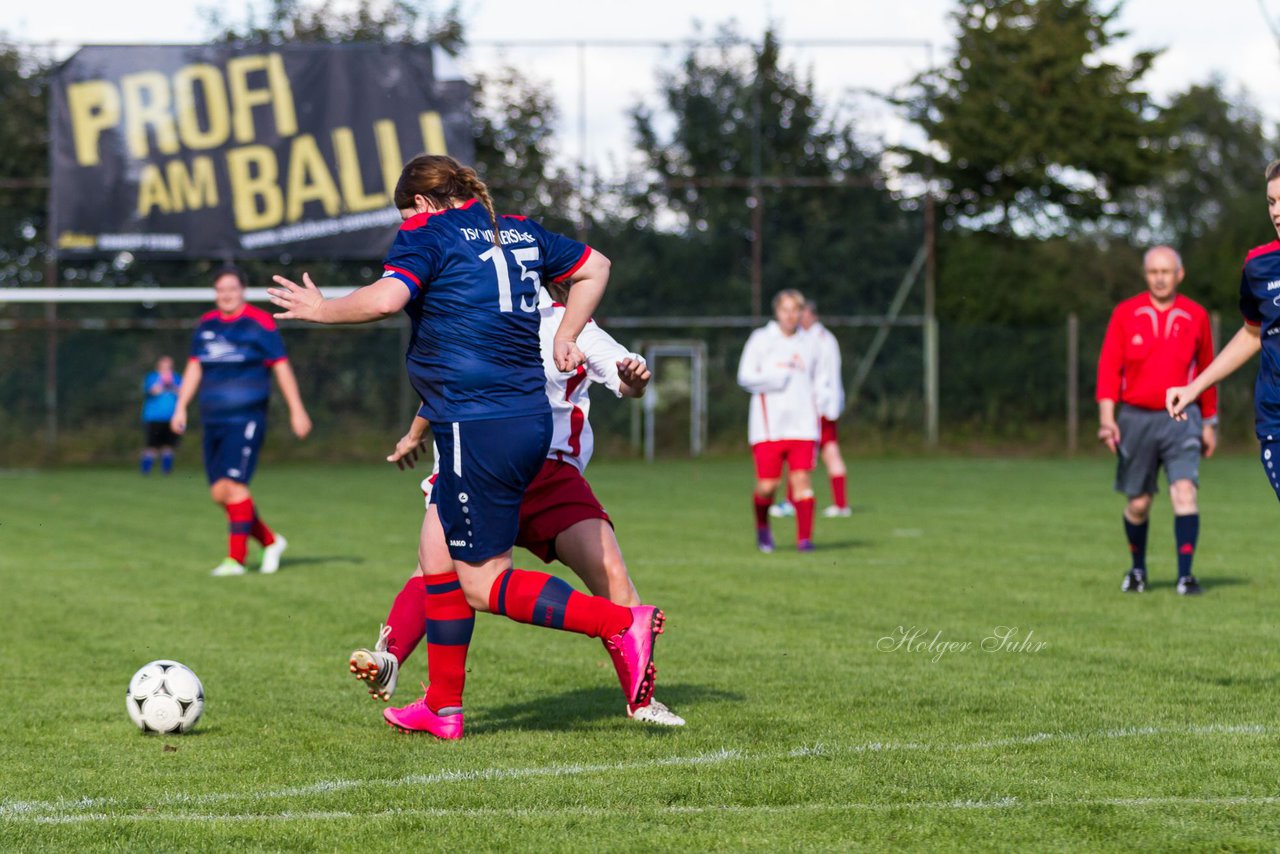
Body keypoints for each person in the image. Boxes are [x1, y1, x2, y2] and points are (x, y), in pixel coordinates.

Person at [267, 154, 665, 740]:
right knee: (435, 555)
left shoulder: (426, 231)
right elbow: (596, 265)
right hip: (521, 419)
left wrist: (322, 308)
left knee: (480, 584)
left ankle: (619, 623)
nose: (405, 223)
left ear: (422, 205)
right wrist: (565, 333)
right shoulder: (515, 230)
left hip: (478, 426)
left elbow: (384, 300)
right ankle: (441, 707)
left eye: (406, 212)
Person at [349, 286, 684, 727]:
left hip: (545, 473)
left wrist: (633, 379)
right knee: (438, 568)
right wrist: (415, 432)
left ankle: (641, 697)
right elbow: (453, 383)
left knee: (605, 572)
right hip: (494, 466)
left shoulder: (570, 322)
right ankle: (398, 665)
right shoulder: (486, 310)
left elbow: (619, 374)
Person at [170, 266, 312, 577]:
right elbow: (194, 367)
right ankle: (271, 541)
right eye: (221, 290)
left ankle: (236, 560)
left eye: (232, 289)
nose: (226, 295)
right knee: (219, 492)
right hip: (212, 418)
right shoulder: (206, 325)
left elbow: (281, 367)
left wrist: (296, 409)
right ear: (215, 293)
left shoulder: (259, 323)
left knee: (235, 487)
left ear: (242, 290)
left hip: (246, 418)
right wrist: (180, 406)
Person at [1170, 160, 1280, 551]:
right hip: (1277, 418)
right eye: (1270, 202)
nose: (1277, 212)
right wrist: (1194, 386)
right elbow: (1253, 334)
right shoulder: (1259, 266)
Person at [1097, 246, 1216, 596]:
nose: (1160, 278)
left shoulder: (1196, 315)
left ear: (1180, 274)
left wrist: (1209, 422)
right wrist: (1108, 419)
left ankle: (1185, 576)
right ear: (1145, 274)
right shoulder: (1125, 313)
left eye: (1167, 271)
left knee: (1184, 492)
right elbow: (1108, 369)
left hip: (1182, 418)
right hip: (1135, 419)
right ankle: (1137, 571)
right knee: (1138, 503)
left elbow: (1207, 372)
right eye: (1154, 272)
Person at [737, 288, 822, 553]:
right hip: (769, 428)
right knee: (768, 485)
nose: (791, 315)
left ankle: (804, 541)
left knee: (801, 482)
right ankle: (763, 528)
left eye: (795, 310)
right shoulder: (762, 339)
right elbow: (745, 376)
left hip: (803, 426)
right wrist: (776, 377)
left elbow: (819, 380)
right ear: (777, 311)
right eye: (786, 310)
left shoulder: (809, 343)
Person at [802, 300, 851, 517]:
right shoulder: (825, 337)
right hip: (826, 404)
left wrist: (817, 403)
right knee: (830, 451)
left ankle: (794, 501)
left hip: (818, 405)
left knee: (800, 452)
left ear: (812, 315)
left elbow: (819, 376)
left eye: (801, 313)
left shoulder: (815, 339)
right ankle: (840, 504)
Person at [140, 355, 181, 475]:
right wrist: (162, 382)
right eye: (164, 364)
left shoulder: (177, 378)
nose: (166, 367)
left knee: (168, 446)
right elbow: (151, 391)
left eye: (169, 364)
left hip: (172, 417)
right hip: (153, 417)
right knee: (151, 446)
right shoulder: (152, 377)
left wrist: (172, 385)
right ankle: (145, 471)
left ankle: (166, 471)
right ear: (159, 365)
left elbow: (182, 393)